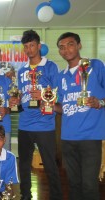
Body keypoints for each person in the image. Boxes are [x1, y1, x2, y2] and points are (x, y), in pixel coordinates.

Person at [9, 30, 62, 200]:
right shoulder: (22, 70)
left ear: (39, 46)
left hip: (45, 124)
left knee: (49, 164)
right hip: (25, 124)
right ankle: (26, 195)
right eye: (26, 47)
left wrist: (43, 96)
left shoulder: (50, 66)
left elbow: (58, 94)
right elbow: (22, 95)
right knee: (24, 164)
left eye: (32, 45)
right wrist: (15, 101)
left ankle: (56, 196)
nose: (29, 49)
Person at [55, 32, 105, 200]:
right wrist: (49, 106)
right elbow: (64, 107)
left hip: (90, 137)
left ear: (79, 45)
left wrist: (100, 103)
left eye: (70, 44)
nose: (66, 50)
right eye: (61, 47)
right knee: (74, 184)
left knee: (89, 185)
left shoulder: (95, 66)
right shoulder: (60, 76)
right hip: (68, 138)